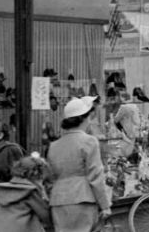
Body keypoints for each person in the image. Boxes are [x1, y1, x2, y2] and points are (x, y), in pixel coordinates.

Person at [48, 96, 111, 232]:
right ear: (84, 118)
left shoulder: (53, 146)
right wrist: (105, 205)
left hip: (58, 201)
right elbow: (96, 176)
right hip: (82, 198)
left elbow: (50, 178)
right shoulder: (89, 141)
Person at [0, 154, 53, 232]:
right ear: (36, 173)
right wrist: (43, 191)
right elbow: (47, 217)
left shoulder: (4, 189)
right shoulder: (29, 191)